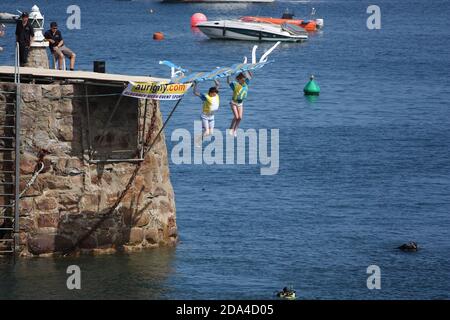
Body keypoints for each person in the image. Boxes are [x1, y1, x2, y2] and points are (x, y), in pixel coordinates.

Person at [227, 71, 252, 137]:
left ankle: (235, 130)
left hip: (240, 103)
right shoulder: (235, 85)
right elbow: (228, 82)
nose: (243, 80)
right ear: (239, 80)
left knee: (240, 118)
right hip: (234, 103)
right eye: (242, 79)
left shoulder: (246, 83)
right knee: (236, 117)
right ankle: (230, 129)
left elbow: (250, 76)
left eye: (244, 79)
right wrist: (228, 75)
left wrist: (247, 70)